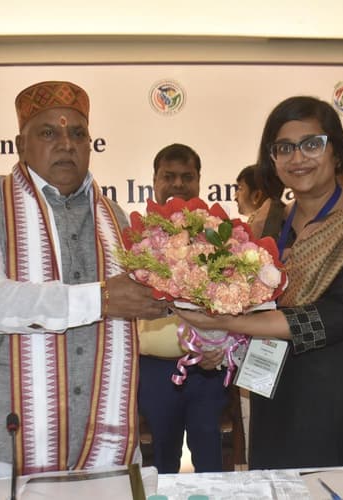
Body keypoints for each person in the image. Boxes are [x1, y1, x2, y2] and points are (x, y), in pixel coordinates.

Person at [175, 96, 343, 469]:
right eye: (284, 148)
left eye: (312, 144)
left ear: (337, 152)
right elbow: (248, 307)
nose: (298, 158)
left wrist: (230, 322)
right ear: (272, 159)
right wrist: (221, 344)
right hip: (279, 404)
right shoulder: (264, 225)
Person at [0, 81, 166, 479]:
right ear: (21, 145)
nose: (67, 144)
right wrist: (100, 299)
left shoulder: (116, 217)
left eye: (78, 134)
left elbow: (139, 306)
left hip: (101, 441)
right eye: (49, 133)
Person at [137, 143, 228, 473]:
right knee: (161, 462)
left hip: (207, 369)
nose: (178, 184)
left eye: (187, 177)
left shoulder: (219, 236)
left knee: (210, 458)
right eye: (169, 176)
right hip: (154, 369)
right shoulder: (136, 237)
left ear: (199, 180)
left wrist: (223, 347)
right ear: (154, 181)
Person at [234, 164, 286, 238]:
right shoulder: (287, 217)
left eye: (240, 188)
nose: (235, 196)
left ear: (257, 196)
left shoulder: (263, 228)